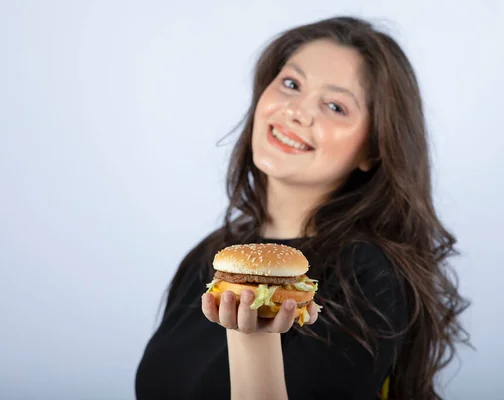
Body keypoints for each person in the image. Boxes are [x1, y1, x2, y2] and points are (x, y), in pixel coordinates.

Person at [134, 16, 470, 400]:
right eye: (291, 84)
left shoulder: (369, 274)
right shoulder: (213, 256)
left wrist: (254, 338)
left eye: (335, 106)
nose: (297, 111)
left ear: (374, 148)